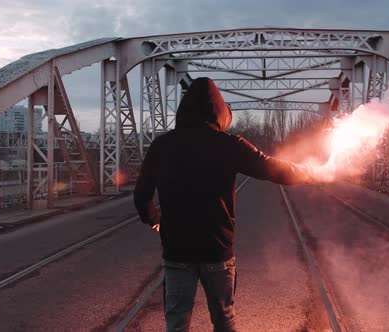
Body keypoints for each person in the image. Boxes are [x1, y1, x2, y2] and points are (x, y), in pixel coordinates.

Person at [134, 77, 313, 332]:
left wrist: (154, 219)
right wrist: (308, 172)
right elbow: (272, 168)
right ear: (219, 113)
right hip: (217, 250)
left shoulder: (161, 146)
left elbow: (141, 195)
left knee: (177, 321)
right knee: (224, 318)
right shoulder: (229, 145)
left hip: (177, 249)